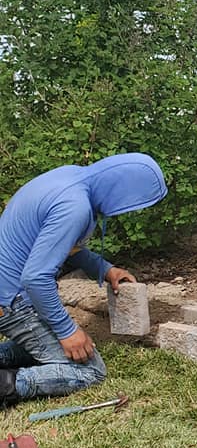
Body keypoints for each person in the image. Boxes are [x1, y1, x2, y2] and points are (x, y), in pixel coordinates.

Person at [0, 153, 168, 408]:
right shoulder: (74, 206)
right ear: (122, 191)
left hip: (8, 293)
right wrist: (67, 331)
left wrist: (105, 269)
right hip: (13, 302)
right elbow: (35, 279)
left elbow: (65, 247)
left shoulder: (70, 178)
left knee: (61, 346)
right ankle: (8, 384)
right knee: (89, 370)